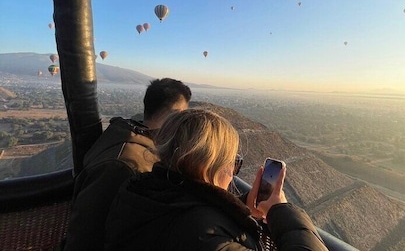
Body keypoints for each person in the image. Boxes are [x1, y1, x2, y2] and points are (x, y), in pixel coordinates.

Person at [105, 109, 328, 251]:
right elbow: (194, 228)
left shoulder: (138, 191)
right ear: (211, 164)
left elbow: (186, 209)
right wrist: (280, 210)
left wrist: (240, 207)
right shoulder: (205, 237)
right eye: (234, 163)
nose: (233, 172)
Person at [63, 78, 192, 251]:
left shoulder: (129, 139)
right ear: (174, 115)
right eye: (182, 116)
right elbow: (86, 233)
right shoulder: (122, 165)